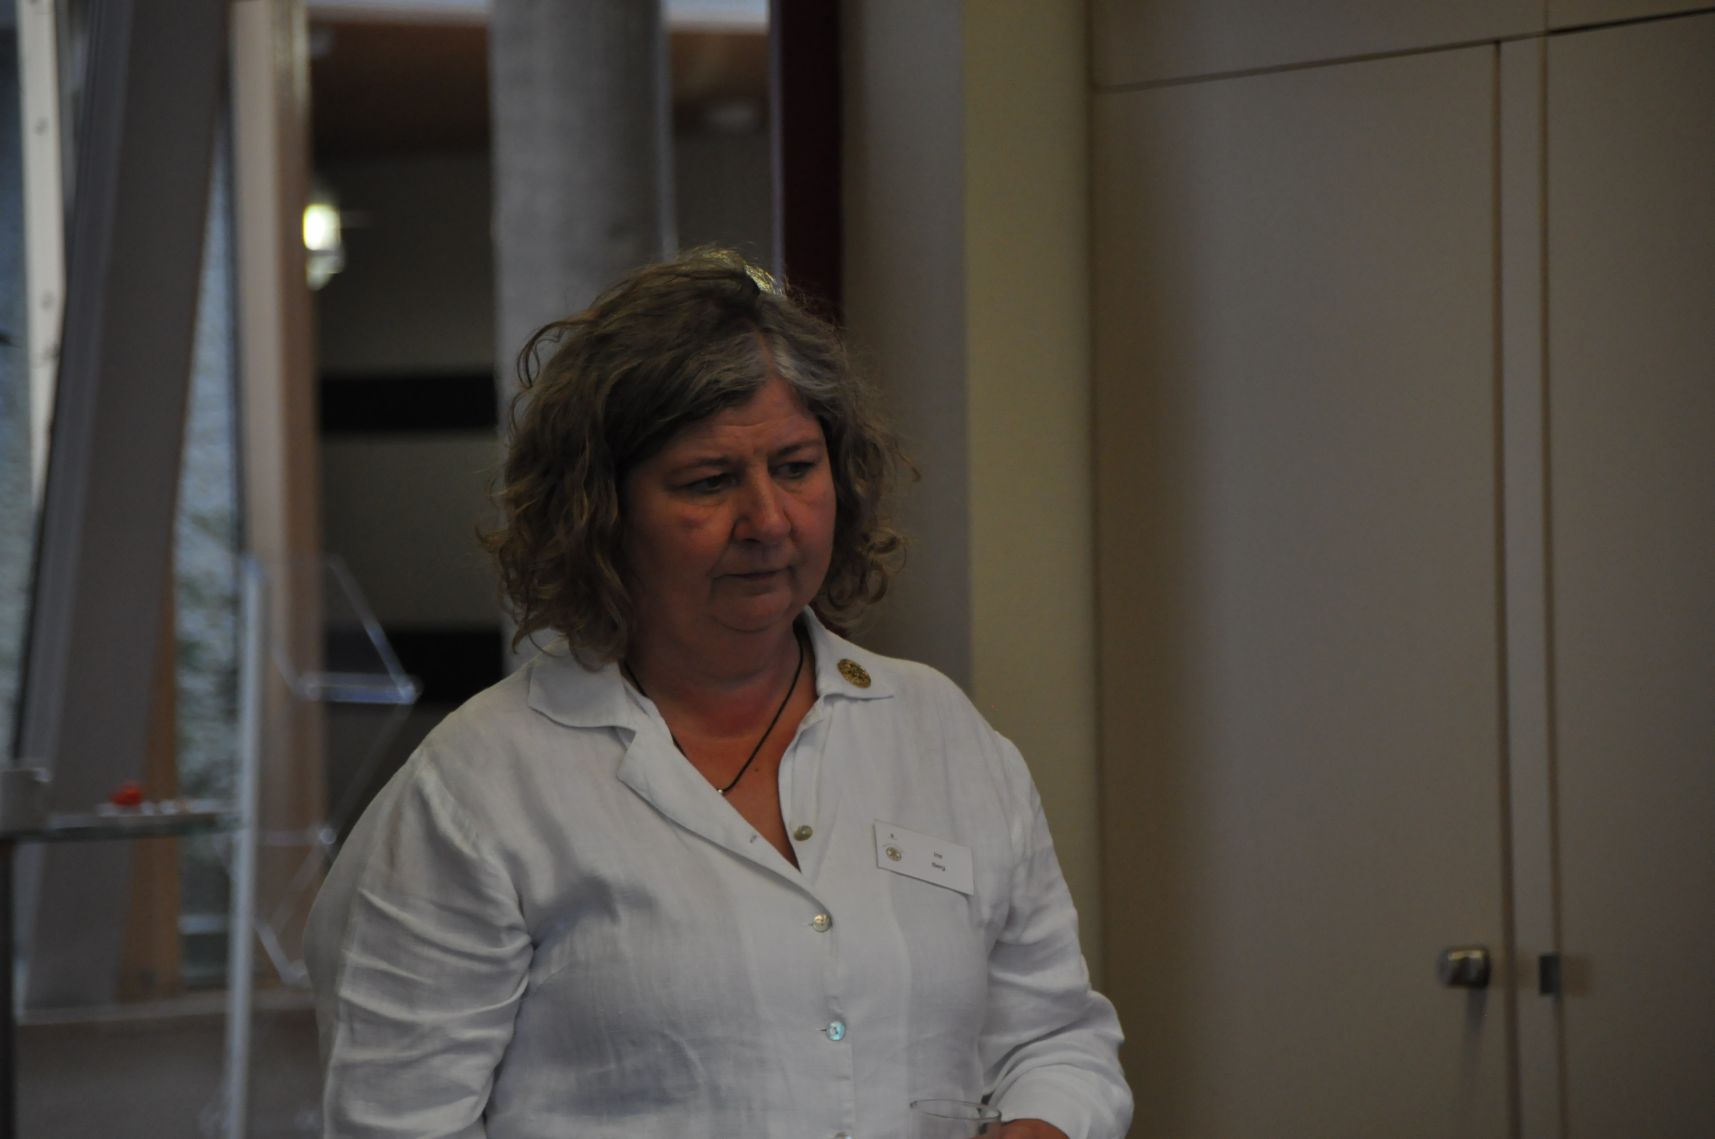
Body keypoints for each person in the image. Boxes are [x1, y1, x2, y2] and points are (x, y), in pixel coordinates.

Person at [304, 249, 1131, 1139]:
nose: (767, 520)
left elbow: (1055, 1037)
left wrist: (1044, 1122)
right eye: (709, 481)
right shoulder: (477, 791)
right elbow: (396, 1123)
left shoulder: (940, 732)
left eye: (795, 466)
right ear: (599, 512)